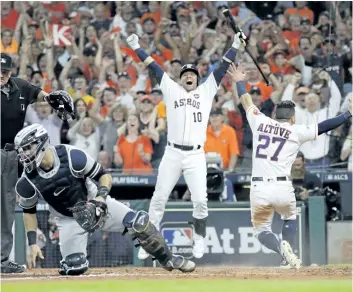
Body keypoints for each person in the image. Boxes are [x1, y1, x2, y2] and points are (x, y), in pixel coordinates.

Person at [14, 124, 195, 275]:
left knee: (139, 222)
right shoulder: (26, 182)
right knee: (75, 267)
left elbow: (104, 175)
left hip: (95, 201)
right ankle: (73, 264)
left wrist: (100, 199)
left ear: (42, 142)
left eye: (28, 147)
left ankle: (169, 258)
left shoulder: (72, 156)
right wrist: (32, 243)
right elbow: (29, 212)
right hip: (68, 218)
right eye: (22, 150)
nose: (24, 154)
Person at [126, 30, 244, 259]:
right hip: (172, 153)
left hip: (196, 156)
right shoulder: (171, 90)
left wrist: (236, 44)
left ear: (197, 78)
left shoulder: (206, 91)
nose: (189, 76)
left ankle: (198, 240)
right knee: (158, 199)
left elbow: (221, 67)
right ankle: (148, 242)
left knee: (200, 200)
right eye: (185, 74)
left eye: (192, 74)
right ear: (180, 78)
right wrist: (136, 46)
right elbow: (154, 66)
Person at [227, 62, 352, 269]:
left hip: (259, 187)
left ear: (275, 115)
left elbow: (246, 100)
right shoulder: (296, 131)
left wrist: (240, 82)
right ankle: (288, 252)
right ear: (292, 118)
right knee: (290, 217)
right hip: (283, 187)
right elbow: (324, 126)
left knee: (261, 231)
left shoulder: (261, 122)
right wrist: (347, 114)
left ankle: (281, 251)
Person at [1, 52, 73, 273]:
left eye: (4, 71)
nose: (1, 75)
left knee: (6, 208)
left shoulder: (20, 87)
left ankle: (2, 260)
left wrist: (53, 98)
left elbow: (42, 96)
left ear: (11, 71)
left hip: (11, 155)